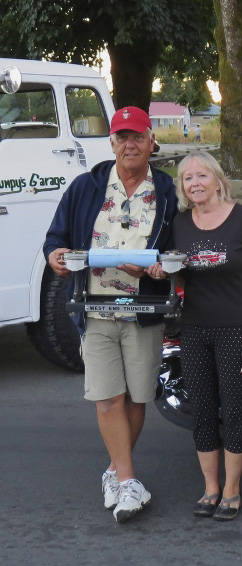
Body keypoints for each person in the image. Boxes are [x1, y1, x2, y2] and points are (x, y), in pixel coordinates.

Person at [44, 106, 178, 523]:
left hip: (143, 309)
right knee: (108, 398)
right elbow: (55, 238)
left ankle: (113, 473)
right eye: (121, 137)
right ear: (112, 143)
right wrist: (57, 256)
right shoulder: (86, 187)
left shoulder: (169, 192)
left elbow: (178, 247)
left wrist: (158, 265)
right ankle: (129, 482)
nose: (129, 144)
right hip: (95, 307)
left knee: (138, 397)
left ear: (151, 141)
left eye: (136, 136)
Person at [148, 152, 242, 521]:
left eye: (201, 175)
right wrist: (163, 273)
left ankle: (232, 490)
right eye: (187, 178)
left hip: (237, 329)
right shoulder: (179, 225)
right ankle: (210, 488)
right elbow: (183, 275)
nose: (195, 183)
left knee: (233, 412)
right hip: (195, 329)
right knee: (202, 411)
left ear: (218, 179)